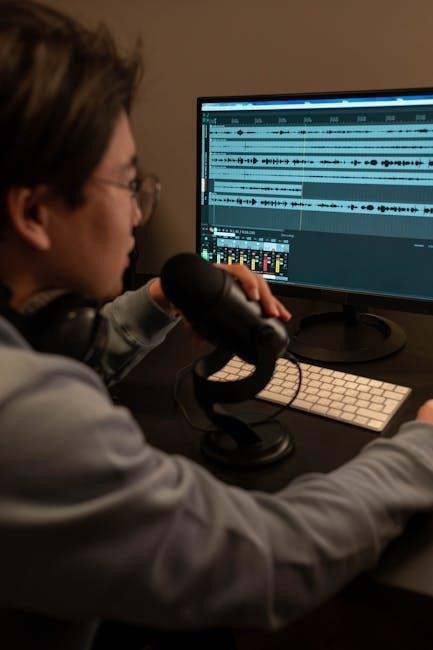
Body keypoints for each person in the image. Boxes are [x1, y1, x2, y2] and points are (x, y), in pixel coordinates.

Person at [0, 2, 433, 649]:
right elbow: (268, 559)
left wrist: (163, 296)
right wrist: (423, 450)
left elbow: (55, 357)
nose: (139, 213)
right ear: (34, 212)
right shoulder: (24, 420)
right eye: (127, 184)